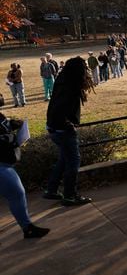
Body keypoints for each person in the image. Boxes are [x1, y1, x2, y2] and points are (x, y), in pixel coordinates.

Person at [43, 57, 94, 206]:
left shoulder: (63, 79)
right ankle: (70, 195)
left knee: (64, 159)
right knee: (73, 161)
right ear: (78, 70)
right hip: (62, 130)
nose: (86, 70)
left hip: (53, 127)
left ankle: (51, 190)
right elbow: (60, 108)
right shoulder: (69, 86)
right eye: (84, 67)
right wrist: (68, 125)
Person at [0, 113, 49, 239]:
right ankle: (28, 229)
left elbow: (3, 126)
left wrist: (12, 124)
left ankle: (28, 229)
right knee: (17, 192)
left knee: (16, 193)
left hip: (6, 163)